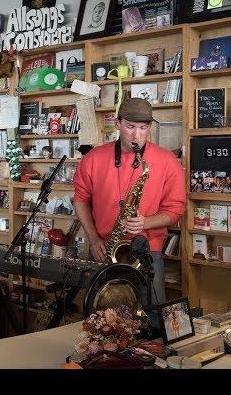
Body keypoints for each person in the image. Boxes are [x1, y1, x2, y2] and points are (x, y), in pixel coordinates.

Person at [73, 97, 186, 306]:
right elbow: (80, 199)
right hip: (104, 248)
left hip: (147, 249)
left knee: (152, 313)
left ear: (149, 127)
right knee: (100, 314)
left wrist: (146, 222)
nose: (137, 135)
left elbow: (176, 210)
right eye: (130, 127)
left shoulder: (168, 161)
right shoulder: (93, 158)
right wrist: (93, 238)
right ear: (118, 124)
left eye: (143, 128)